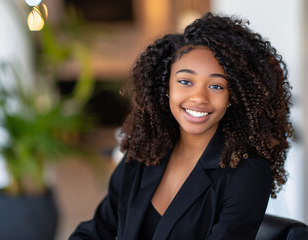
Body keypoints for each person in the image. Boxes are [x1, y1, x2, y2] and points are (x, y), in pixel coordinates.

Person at [70, 12, 293, 240]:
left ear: (233, 97)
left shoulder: (246, 175)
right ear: (166, 86)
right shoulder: (143, 154)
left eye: (216, 86)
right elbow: (97, 230)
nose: (198, 97)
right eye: (185, 82)